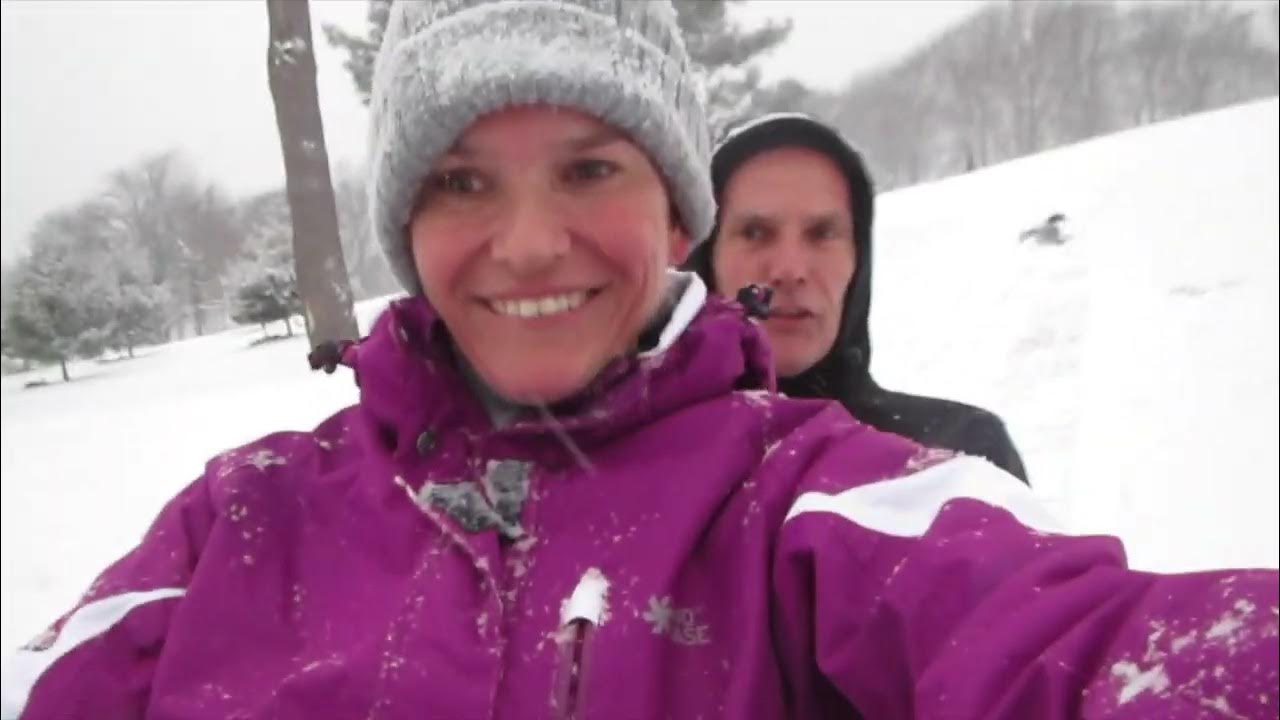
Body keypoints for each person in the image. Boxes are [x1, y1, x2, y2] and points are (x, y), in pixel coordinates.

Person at [4, 2, 1275, 718]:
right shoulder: (240, 518)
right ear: (405, 228)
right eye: (458, 180)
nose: (526, 240)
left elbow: (1085, 650)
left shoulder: (818, 500)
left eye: (590, 168)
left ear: (678, 216)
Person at [685, 114, 1030, 482]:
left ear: (858, 258)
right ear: (708, 258)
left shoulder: (962, 458)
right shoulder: (647, 470)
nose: (790, 269)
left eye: (822, 233)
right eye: (755, 232)